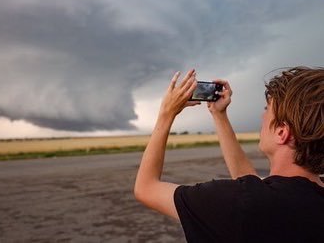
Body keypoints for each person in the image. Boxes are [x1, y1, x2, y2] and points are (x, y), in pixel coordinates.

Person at [134, 67, 324, 242]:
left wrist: (166, 113)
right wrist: (220, 115)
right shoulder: (308, 197)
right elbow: (253, 186)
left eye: (267, 110)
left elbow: (146, 188)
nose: (262, 117)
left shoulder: (238, 202)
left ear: (282, 133)